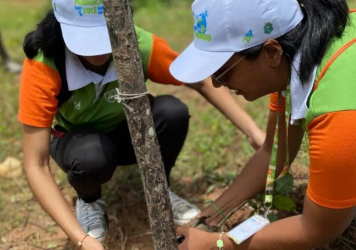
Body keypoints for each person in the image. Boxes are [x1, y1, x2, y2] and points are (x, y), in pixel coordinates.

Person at [19, 0, 265, 249]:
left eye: (105, 37)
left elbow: (199, 81)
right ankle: (89, 200)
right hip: (78, 143)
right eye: (86, 41)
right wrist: (82, 240)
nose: (98, 52)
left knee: (172, 112)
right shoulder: (44, 64)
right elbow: (35, 164)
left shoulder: (137, 42)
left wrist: (255, 133)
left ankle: (160, 188)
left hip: (128, 133)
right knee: (90, 155)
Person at [170, 0, 356, 249]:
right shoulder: (293, 59)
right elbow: (274, 150)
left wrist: (218, 244)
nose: (215, 84)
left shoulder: (340, 112)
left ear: (271, 52)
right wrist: (213, 213)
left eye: (223, 72)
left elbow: (315, 230)